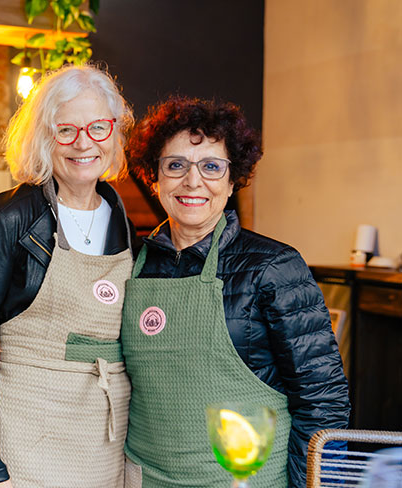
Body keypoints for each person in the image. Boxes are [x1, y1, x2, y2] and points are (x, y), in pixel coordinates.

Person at [122, 96, 349, 487]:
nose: (193, 181)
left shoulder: (273, 267)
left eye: (212, 167)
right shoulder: (131, 263)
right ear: (154, 178)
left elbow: (323, 402)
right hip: (146, 480)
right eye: (176, 165)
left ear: (232, 181)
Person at [0, 65, 136, 488]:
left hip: (105, 439)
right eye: (66, 130)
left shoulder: (126, 225)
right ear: (43, 136)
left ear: (113, 133)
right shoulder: (9, 217)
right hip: (26, 434)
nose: (83, 143)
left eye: (97, 127)